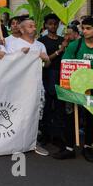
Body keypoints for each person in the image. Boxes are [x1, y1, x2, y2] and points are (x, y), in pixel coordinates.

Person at [6, 18, 50, 156]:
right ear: (22, 29)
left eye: (34, 25)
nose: (33, 28)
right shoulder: (13, 44)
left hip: (37, 85)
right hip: (18, 86)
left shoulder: (40, 45)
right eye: (30, 26)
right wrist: (20, 55)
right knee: (17, 112)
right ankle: (14, 141)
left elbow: (47, 65)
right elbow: (7, 64)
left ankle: (33, 142)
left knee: (35, 113)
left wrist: (46, 59)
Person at [53, 16, 93, 162]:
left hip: (92, 90)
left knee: (91, 119)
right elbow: (65, 63)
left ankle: (88, 147)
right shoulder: (75, 45)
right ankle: (69, 147)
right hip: (74, 88)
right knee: (70, 117)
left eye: (88, 28)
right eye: (83, 28)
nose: (84, 31)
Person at [38, 14, 69, 147]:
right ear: (45, 25)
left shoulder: (63, 40)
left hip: (61, 76)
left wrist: (66, 46)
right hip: (47, 75)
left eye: (55, 24)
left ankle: (57, 135)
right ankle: (45, 134)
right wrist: (59, 51)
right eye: (50, 24)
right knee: (47, 106)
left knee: (59, 107)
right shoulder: (41, 41)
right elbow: (45, 60)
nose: (53, 26)